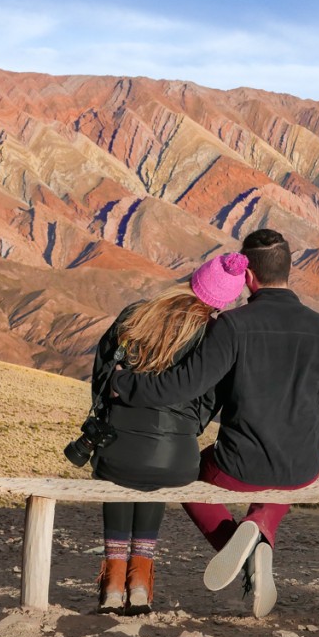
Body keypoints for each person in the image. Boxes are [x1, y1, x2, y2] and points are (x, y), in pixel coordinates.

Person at [110, 228, 319, 618]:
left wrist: (122, 382)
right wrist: (315, 447)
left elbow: (180, 385)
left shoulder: (233, 326)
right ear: (289, 270)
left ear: (248, 277)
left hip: (239, 467)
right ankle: (260, 532)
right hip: (302, 466)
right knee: (285, 479)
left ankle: (237, 547)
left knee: (188, 479)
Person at [90, 252, 249, 615]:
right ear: (224, 301)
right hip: (178, 459)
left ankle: (113, 584)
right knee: (155, 466)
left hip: (116, 450)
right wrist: (183, 431)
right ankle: (141, 583)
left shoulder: (135, 316)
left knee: (124, 463)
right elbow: (212, 399)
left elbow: (101, 379)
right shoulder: (214, 335)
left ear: (195, 279)